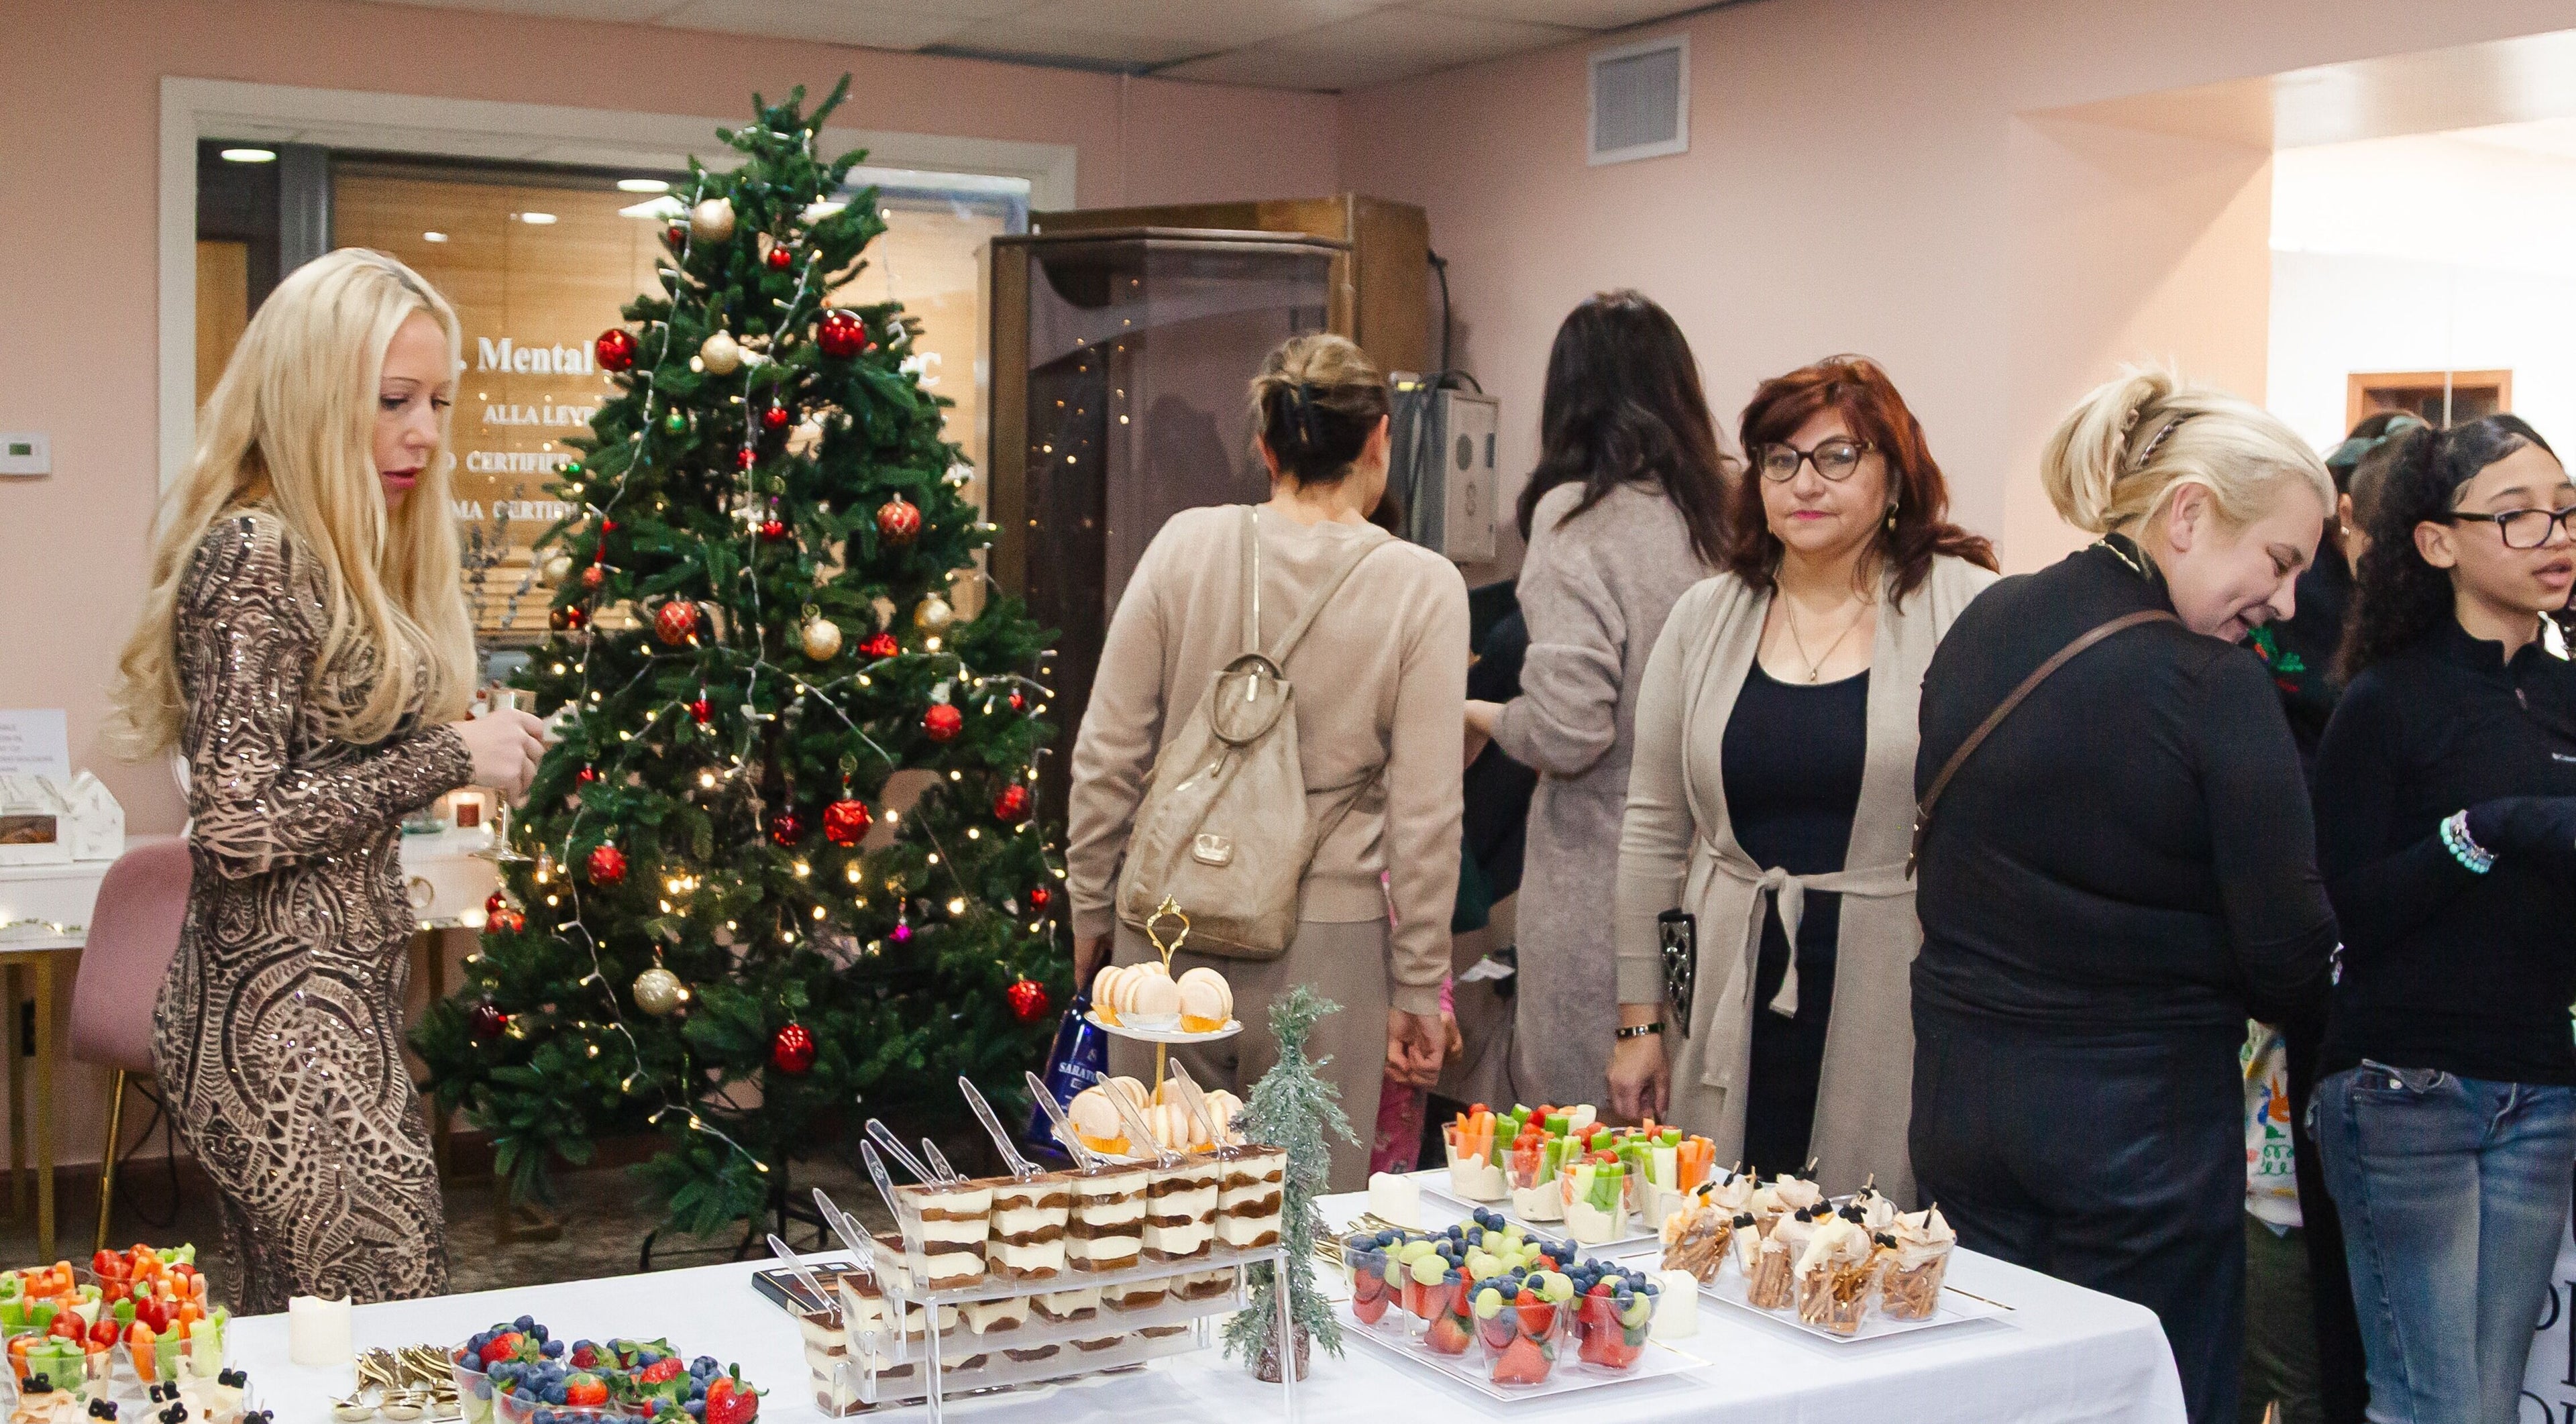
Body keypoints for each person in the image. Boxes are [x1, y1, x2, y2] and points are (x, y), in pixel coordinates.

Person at [104, 250, 547, 1310]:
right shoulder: (259, 551)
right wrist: (454, 754)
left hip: (323, 1009)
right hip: (281, 1032)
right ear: (311, 396)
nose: (427, 432)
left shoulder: (331, 551)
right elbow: (239, 826)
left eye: (439, 400)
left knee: (310, 1346)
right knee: (373, 1333)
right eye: (394, 401)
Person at [1909, 368, 2340, 1424]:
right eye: (2278, 561)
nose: (2285, 602)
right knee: (2140, 1396)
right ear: (2188, 512)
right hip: (2136, 1136)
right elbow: (2291, 956)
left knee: (1994, 1392)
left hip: (1963, 1106)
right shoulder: (2213, 686)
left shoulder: (1988, 618)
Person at [1065, 333, 1468, 1192]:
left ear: (1266, 447)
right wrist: (1421, 980)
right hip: (1329, 945)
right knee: (1307, 1245)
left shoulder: (1184, 545)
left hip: (1163, 935)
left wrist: (1090, 906)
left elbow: (1105, 750)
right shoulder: (1422, 585)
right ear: (1378, 440)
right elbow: (1427, 814)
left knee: (1158, 1219)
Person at [1607, 355, 1996, 1194]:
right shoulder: (1704, 617)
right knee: (1713, 1233)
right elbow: (1655, 835)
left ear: (1897, 475)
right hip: (1720, 963)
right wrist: (1645, 1018)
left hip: (1888, 975)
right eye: (1779, 459)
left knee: (1859, 1246)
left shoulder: (1963, 607)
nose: (1804, 483)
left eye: (1837, 456)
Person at [2310, 415, 2576, 1424]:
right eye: (2514, 515)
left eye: (2563, 508)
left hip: (2543, 1092)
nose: (2552, 532)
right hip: (2404, 1088)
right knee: (2437, 1405)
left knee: (2489, 1406)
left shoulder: (2567, 697)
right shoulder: (2384, 701)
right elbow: (2341, 916)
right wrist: (2484, 831)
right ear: (2436, 542)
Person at [1459, 291, 1731, 1109]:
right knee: (1678, 1108)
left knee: (1586, 1123)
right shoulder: (1723, 515)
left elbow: (1570, 729)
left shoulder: (1575, 518)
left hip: (1598, 882)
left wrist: (1477, 712)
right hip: (1701, 874)